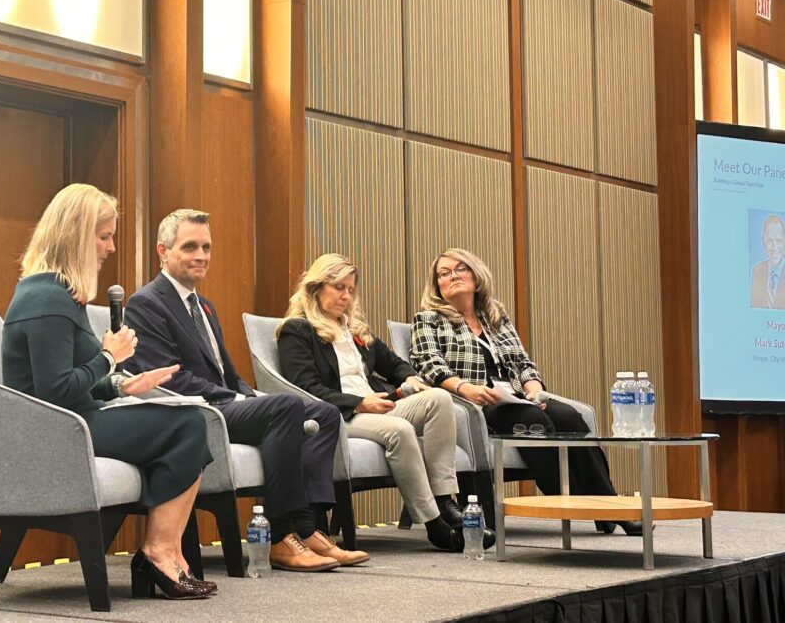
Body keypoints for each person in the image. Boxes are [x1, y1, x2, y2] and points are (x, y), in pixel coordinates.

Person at [2, 184, 217, 600]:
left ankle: (166, 552)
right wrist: (107, 357)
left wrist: (121, 383)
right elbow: (55, 393)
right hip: (59, 430)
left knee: (191, 423)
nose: (111, 247)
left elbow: (69, 380)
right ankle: (158, 553)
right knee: (189, 425)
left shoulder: (58, 292)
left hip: (77, 419)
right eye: (103, 237)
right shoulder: (47, 297)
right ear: (76, 237)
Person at [124, 209, 368, 571]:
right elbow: (170, 379)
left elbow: (228, 373)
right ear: (163, 250)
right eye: (190, 246)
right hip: (195, 411)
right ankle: (281, 537)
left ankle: (309, 527)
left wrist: (248, 394)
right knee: (285, 407)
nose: (201, 256)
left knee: (325, 412)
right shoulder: (146, 303)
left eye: (206, 247)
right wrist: (238, 398)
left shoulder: (203, 305)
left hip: (225, 403)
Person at [410, 248, 642, 536]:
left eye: (460, 269)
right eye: (444, 274)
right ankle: (582, 504)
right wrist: (466, 388)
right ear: (437, 286)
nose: (453, 276)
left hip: (515, 397)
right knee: (532, 421)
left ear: (476, 274)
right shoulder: (428, 319)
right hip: (471, 401)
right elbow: (428, 363)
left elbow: (522, 363)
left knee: (568, 417)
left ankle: (609, 504)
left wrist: (534, 391)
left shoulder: (494, 317)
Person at [276, 254, 494, 553]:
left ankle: (445, 501)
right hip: (340, 414)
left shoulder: (353, 329)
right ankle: (435, 526)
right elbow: (305, 388)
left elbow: (395, 364)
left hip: (375, 405)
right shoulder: (297, 330)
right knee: (400, 430)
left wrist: (412, 378)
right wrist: (359, 402)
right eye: (338, 287)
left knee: (439, 398)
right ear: (316, 287)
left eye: (351, 289)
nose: (346, 296)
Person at [750, 214, 785, 309]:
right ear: (763, 242)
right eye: (770, 241)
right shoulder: (757, 271)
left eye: (779, 241)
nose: (774, 247)